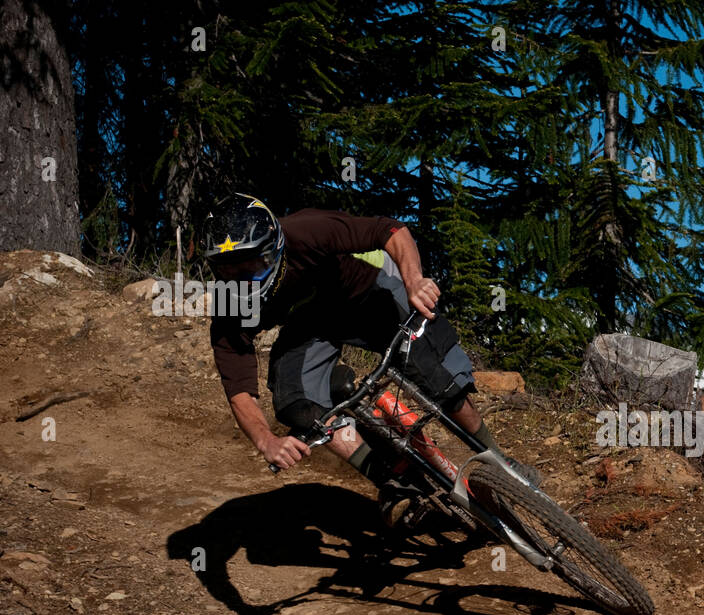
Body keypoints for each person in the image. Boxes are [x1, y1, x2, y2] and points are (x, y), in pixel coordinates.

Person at [202, 192, 536, 528]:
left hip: (367, 290)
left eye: (250, 265)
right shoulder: (231, 304)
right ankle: (391, 482)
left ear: (274, 247)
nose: (241, 277)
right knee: (296, 403)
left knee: (440, 377)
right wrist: (266, 441)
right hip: (311, 324)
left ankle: (500, 462)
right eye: (229, 270)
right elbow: (239, 389)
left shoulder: (306, 230)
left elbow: (390, 230)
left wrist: (414, 281)